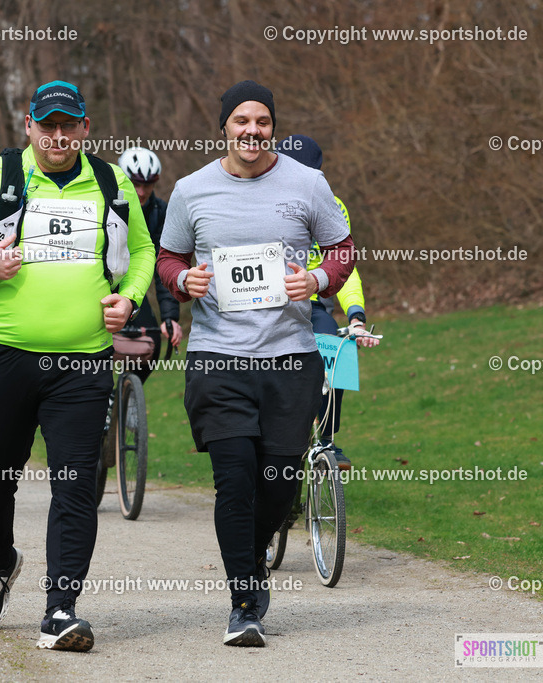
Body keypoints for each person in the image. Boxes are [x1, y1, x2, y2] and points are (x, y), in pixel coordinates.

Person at [0, 80, 154, 652]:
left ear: (85, 128)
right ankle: (0, 562)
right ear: (28, 126)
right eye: (46, 126)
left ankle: (60, 609)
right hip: (2, 354)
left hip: (82, 361)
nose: (58, 136)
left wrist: (127, 296)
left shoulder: (110, 180)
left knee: (77, 484)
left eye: (68, 125)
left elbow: (145, 252)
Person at [157, 80, 356, 647]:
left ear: (273, 127)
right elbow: (169, 257)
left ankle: (252, 554)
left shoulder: (307, 183)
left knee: (279, 483)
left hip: (290, 358)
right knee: (235, 481)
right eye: (241, 121)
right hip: (218, 357)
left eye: (262, 122)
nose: (252, 131)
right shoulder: (192, 190)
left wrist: (316, 279)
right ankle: (244, 603)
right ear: (224, 126)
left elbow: (342, 248)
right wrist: (182, 279)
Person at [278, 134, 380, 470]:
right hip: (268, 305)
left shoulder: (333, 207)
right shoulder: (263, 203)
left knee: (338, 350)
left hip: (313, 304)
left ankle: (326, 440)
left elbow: (346, 269)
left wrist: (356, 316)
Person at [116, 147, 183, 381]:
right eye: (135, 184)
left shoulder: (160, 212)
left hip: (133, 286)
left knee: (151, 343)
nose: (141, 192)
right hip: (99, 283)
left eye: (148, 185)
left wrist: (170, 317)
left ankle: (125, 395)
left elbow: (164, 267)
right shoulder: (103, 202)